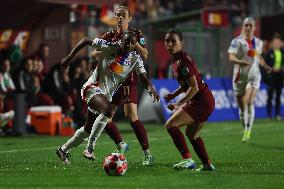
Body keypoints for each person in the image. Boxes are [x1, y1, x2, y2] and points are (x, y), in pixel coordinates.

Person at [56, 31, 159, 165]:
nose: (129, 44)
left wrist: (151, 88)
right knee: (108, 110)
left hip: (105, 96)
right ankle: (89, 149)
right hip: (91, 88)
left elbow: (143, 79)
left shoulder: (135, 59)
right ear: (121, 41)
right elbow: (86, 40)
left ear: (135, 45)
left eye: (132, 43)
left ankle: (63, 150)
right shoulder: (109, 46)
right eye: (126, 41)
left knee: (88, 129)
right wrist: (69, 58)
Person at [87, 5, 154, 165]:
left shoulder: (137, 34)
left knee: (131, 116)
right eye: (117, 15)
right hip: (111, 82)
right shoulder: (109, 36)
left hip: (128, 80)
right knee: (105, 115)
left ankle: (147, 154)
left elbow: (145, 54)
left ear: (129, 18)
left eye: (123, 15)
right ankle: (121, 144)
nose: (120, 18)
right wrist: (110, 51)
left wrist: (133, 42)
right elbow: (93, 53)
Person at [163, 29, 215, 171]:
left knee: (171, 125)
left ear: (181, 43)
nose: (170, 44)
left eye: (173, 41)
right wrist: (173, 95)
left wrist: (179, 104)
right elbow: (186, 85)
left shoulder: (183, 62)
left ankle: (187, 160)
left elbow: (194, 87)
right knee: (192, 134)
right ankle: (207, 164)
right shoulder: (178, 60)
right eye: (167, 41)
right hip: (206, 100)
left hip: (201, 102)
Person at [228, 17, 272, 142]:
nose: (248, 27)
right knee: (242, 107)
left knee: (249, 101)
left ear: (254, 27)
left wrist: (265, 66)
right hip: (239, 77)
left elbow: (259, 57)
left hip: (254, 75)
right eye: (246, 25)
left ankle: (248, 129)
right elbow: (231, 57)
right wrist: (240, 61)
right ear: (243, 26)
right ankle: (245, 127)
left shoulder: (259, 42)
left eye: (250, 25)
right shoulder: (237, 41)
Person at [264, 33, 284, 120]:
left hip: (280, 76)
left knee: (278, 96)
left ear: (280, 43)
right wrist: (271, 69)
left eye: (278, 42)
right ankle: (269, 115)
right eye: (275, 42)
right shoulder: (269, 53)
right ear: (273, 43)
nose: (277, 44)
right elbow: (265, 65)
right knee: (270, 96)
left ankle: (277, 114)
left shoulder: (282, 53)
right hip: (272, 77)